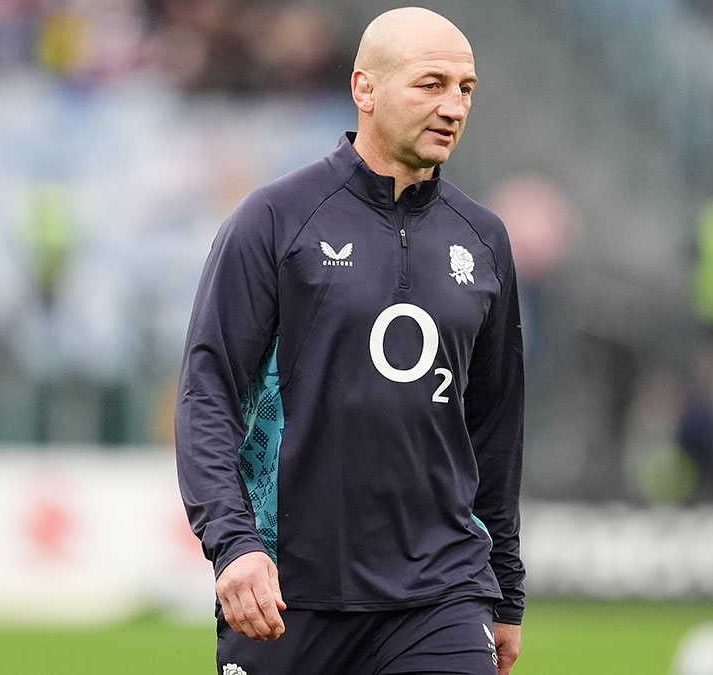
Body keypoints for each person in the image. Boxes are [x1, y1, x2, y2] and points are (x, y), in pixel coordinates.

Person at [175, 7, 525, 675]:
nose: (454, 106)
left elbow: (495, 427)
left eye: (466, 88)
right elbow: (207, 394)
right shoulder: (275, 220)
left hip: (441, 593)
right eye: (431, 84)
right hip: (288, 592)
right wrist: (234, 543)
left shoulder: (483, 240)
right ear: (365, 88)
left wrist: (505, 584)